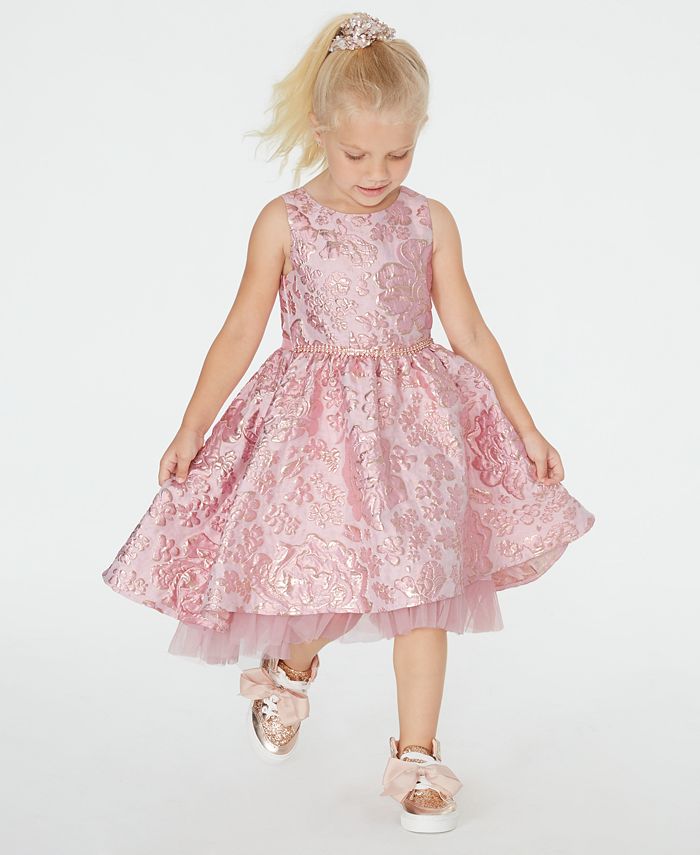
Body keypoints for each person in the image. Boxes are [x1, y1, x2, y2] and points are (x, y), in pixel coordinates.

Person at [102, 12, 595, 834]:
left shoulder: (429, 221)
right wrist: (192, 424)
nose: (378, 173)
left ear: (419, 134)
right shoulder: (285, 221)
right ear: (320, 129)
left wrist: (526, 426)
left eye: (398, 154)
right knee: (337, 583)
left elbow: (470, 332)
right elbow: (241, 330)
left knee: (425, 588)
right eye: (357, 154)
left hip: (418, 432)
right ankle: (290, 670)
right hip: (317, 435)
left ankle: (418, 758)